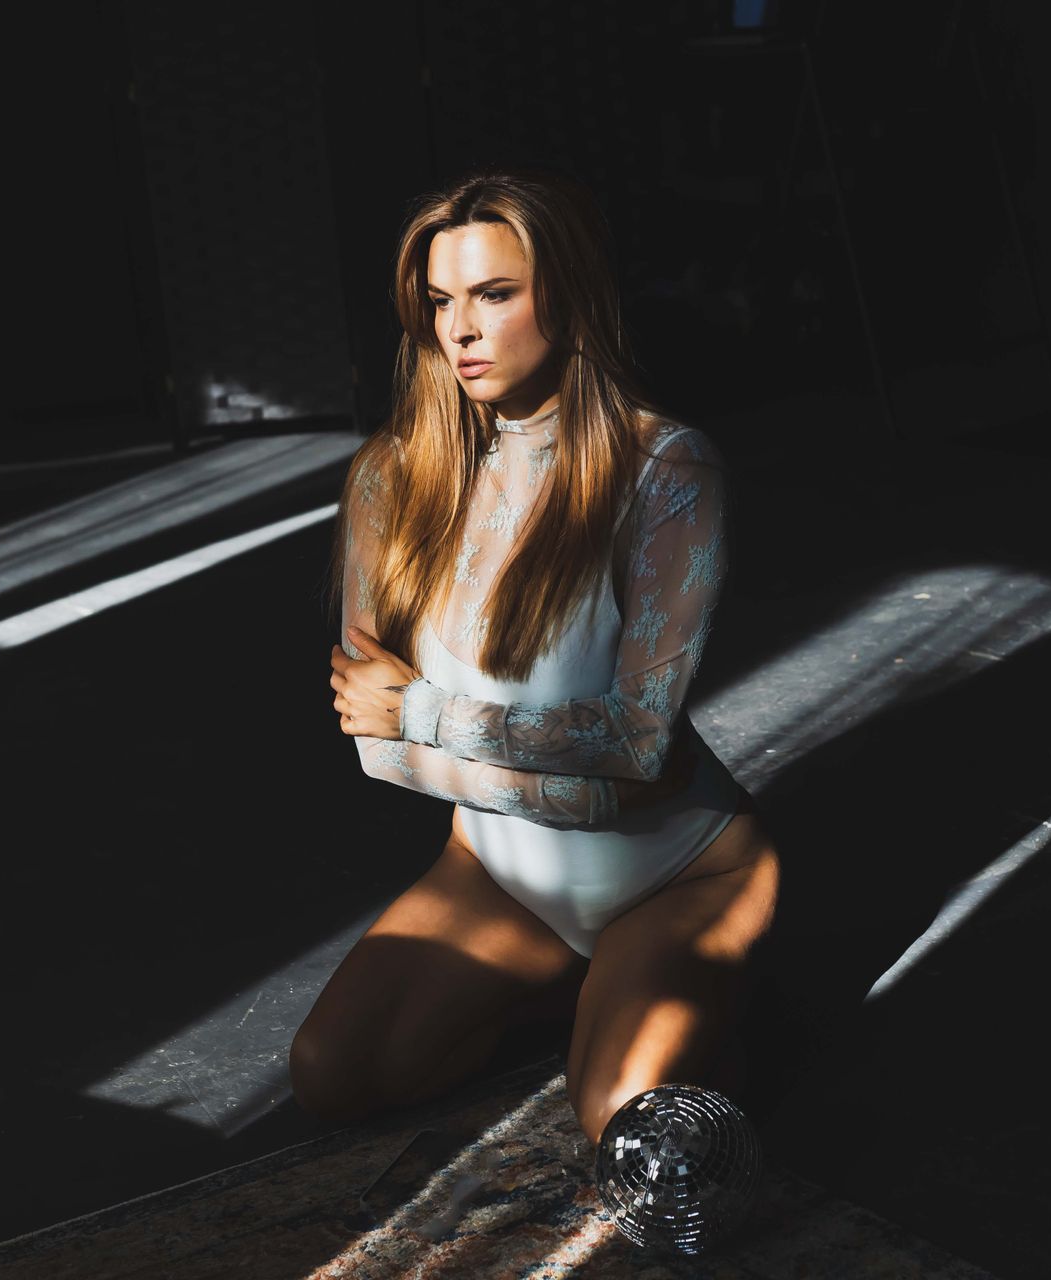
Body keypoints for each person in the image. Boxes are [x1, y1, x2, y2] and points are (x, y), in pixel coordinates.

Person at [291, 165, 781, 1150]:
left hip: (679, 870)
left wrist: (423, 713)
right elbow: (366, 741)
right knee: (330, 1073)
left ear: (568, 293)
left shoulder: (667, 470)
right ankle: (569, 990)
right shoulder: (390, 477)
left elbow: (634, 753)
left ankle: (677, 998)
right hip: (500, 874)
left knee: (620, 1123)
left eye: (494, 293)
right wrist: (572, 776)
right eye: (440, 300)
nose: (459, 328)